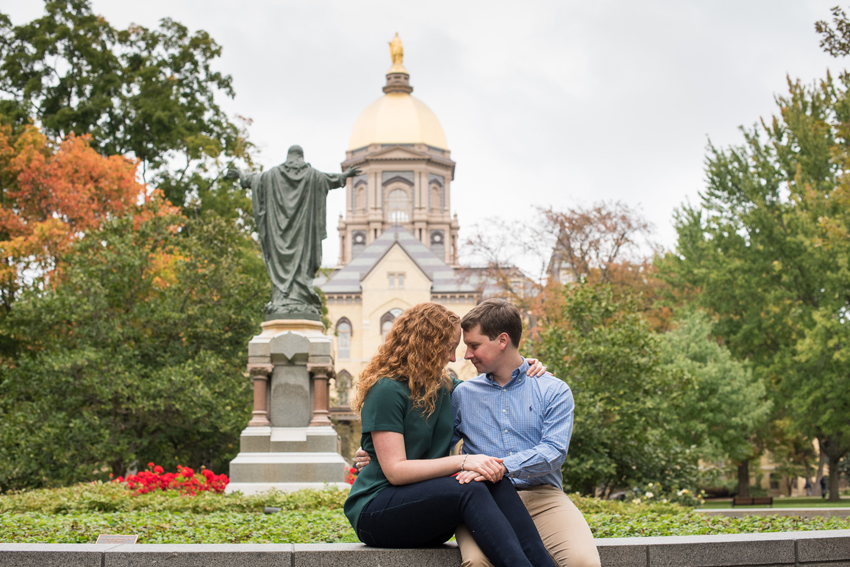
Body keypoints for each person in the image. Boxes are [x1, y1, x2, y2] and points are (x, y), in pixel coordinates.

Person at [356, 298, 600, 567]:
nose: (457, 357)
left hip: (524, 493)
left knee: (491, 478)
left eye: (470, 346)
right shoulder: (403, 390)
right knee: (479, 482)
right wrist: (466, 461)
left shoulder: (450, 390)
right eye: (451, 348)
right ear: (427, 345)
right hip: (391, 503)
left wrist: (524, 364)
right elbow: (396, 466)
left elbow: (548, 446)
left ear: (503, 341)